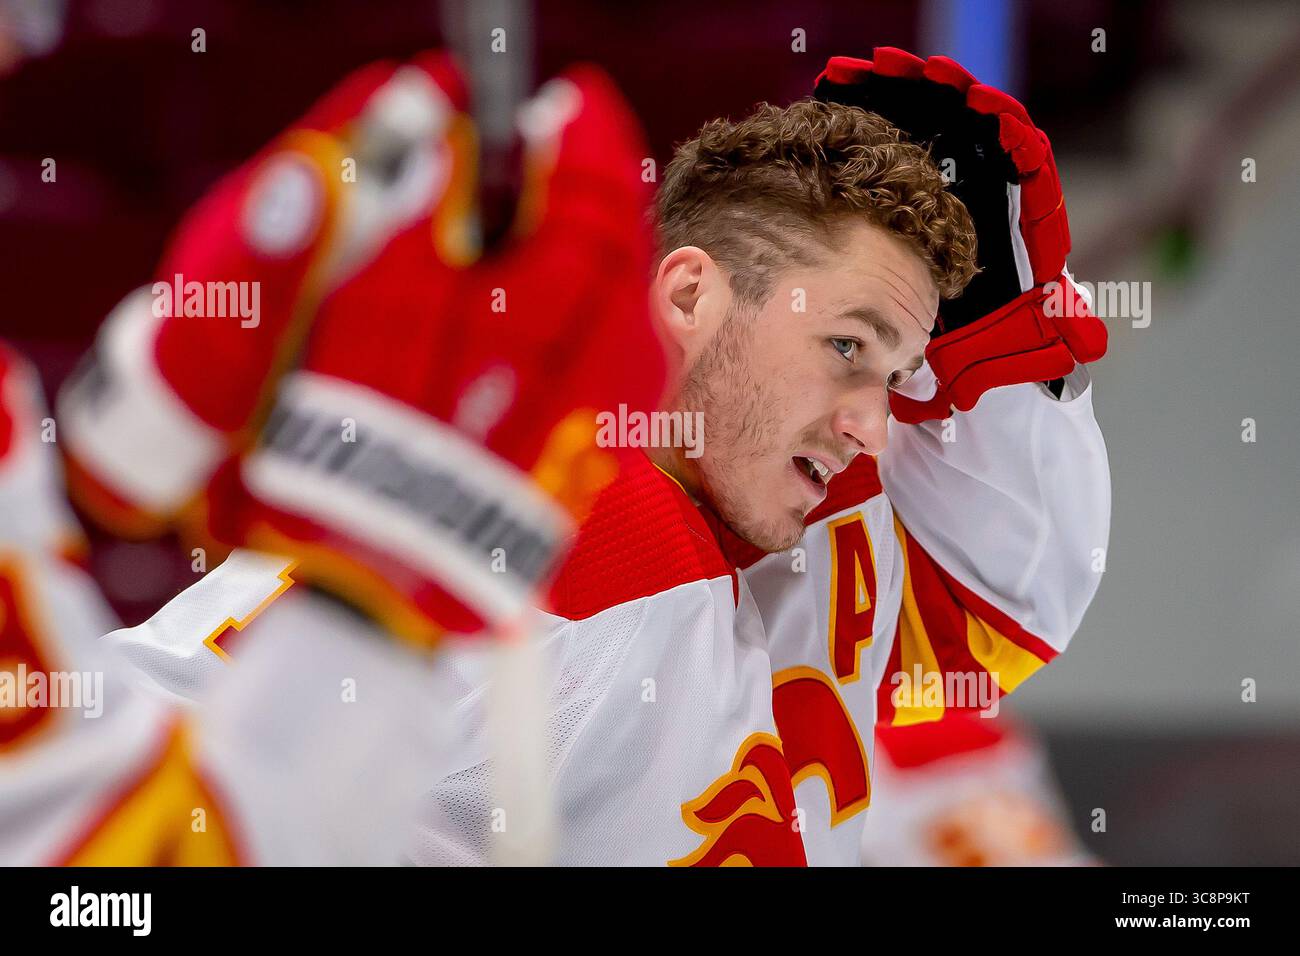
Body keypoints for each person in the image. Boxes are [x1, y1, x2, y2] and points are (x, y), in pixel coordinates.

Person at [411, 50, 1110, 866]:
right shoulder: (507, 548)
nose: (872, 429)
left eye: (894, 374)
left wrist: (1003, 354)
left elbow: (996, 619)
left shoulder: (811, 512)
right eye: (844, 345)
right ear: (688, 297)